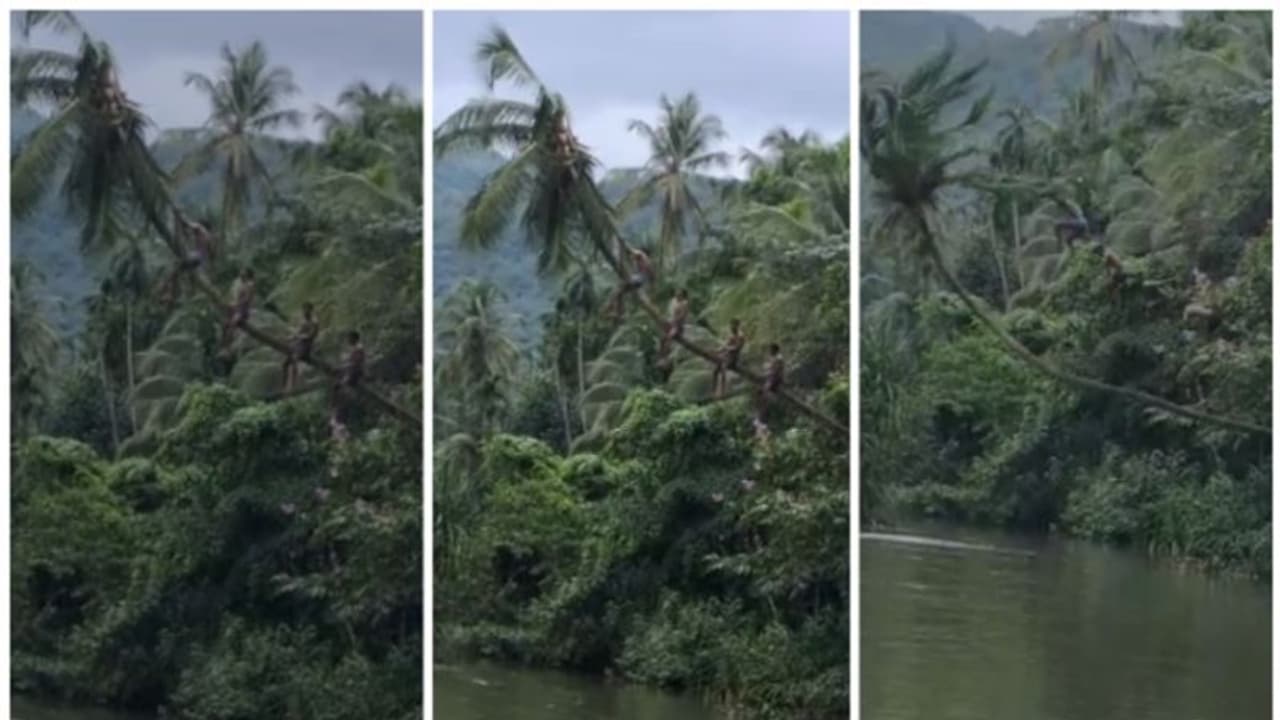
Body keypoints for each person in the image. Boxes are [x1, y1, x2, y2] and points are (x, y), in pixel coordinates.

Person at [603, 243, 655, 320]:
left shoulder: (642, 255)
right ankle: (619, 312)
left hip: (637, 280)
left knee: (619, 291)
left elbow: (632, 251)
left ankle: (612, 309)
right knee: (620, 293)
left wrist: (622, 244)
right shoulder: (647, 261)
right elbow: (652, 275)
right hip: (639, 281)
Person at [282, 302, 320, 392]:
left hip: (307, 346)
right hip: (298, 344)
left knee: (294, 360)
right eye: (303, 309)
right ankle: (284, 386)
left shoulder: (314, 322)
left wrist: (300, 337)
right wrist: (290, 338)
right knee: (285, 364)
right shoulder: (303, 321)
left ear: (310, 310)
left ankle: (292, 386)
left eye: (306, 309)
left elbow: (311, 336)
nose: (304, 311)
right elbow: (298, 333)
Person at [221, 268, 255, 349]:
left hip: (242, 310)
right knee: (225, 324)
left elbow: (247, 299)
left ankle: (227, 348)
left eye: (244, 273)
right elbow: (232, 294)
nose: (241, 273)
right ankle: (223, 345)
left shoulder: (250, 285)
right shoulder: (237, 282)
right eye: (241, 272)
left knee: (232, 325)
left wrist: (236, 305)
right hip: (234, 307)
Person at [712, 319, 746, 399]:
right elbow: (725, 345)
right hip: (726, 356)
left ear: (737, 326)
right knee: (715, 370)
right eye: (730, 325)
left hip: (734, 358)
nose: (731, 327)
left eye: (733, 325)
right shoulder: (731, 335)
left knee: (723, 369)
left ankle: (722, 391)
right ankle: (714, 390)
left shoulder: (740, 336)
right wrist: (717, 350)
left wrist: (727, 348)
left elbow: (737, 348)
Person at [755, 343, 784, 427]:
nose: (769, 352)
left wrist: (766, 375)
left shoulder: (778, 358)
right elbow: (769, 368)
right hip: (771, 378)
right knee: (759, 393)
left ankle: (762, 419)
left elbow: (775, 372)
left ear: (774, 350)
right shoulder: (774, 358)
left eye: (770, 350)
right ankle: (760, 416)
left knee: (764, 396)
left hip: (775, 380)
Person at [659, 288, 690, 357]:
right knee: (662, 338)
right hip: (670, 322)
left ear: (682, 295)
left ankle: (665, 355)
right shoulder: (673, 301)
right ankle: (661, 355)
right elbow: (669, 312)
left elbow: (682, 315)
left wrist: (675, 321)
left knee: (669, 338)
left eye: (680, 294)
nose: (678, 295)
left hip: (678, 325)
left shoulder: (684, 303)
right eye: (677, 293)